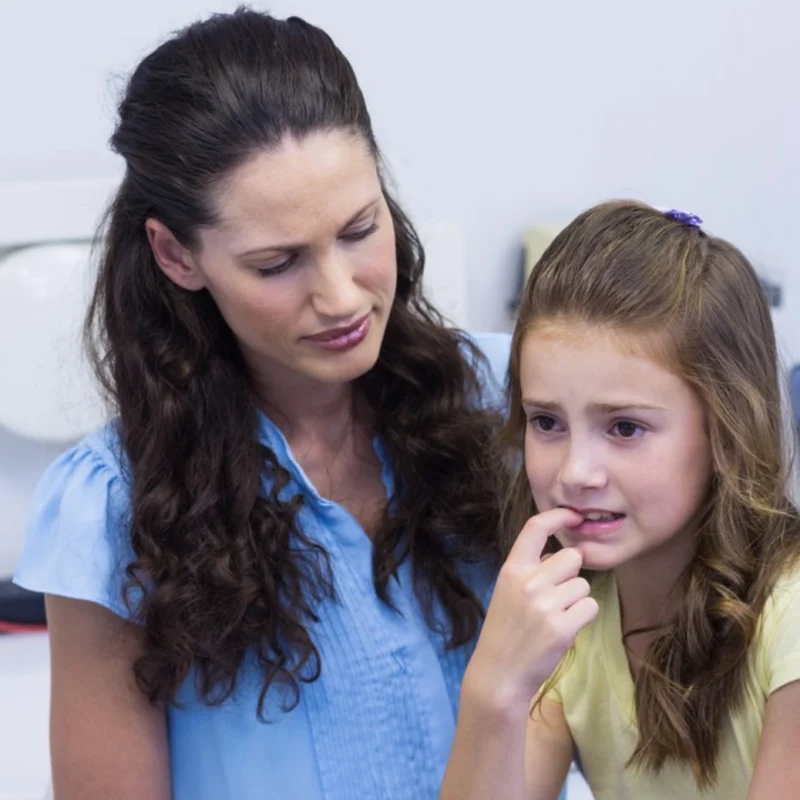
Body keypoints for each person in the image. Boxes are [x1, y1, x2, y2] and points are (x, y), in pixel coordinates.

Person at [13, 8, 512, 799]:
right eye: (277, 263)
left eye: (360, 228)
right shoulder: (111, 510)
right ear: (178, 256)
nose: (342, 296)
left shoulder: (509, 405)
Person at [441, 200, 800, 800]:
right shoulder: (576, 615)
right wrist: (492, 688)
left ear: (726, 430)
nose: (576, 473)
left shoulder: (789, 618)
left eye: (625, 428)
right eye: (547, 422)